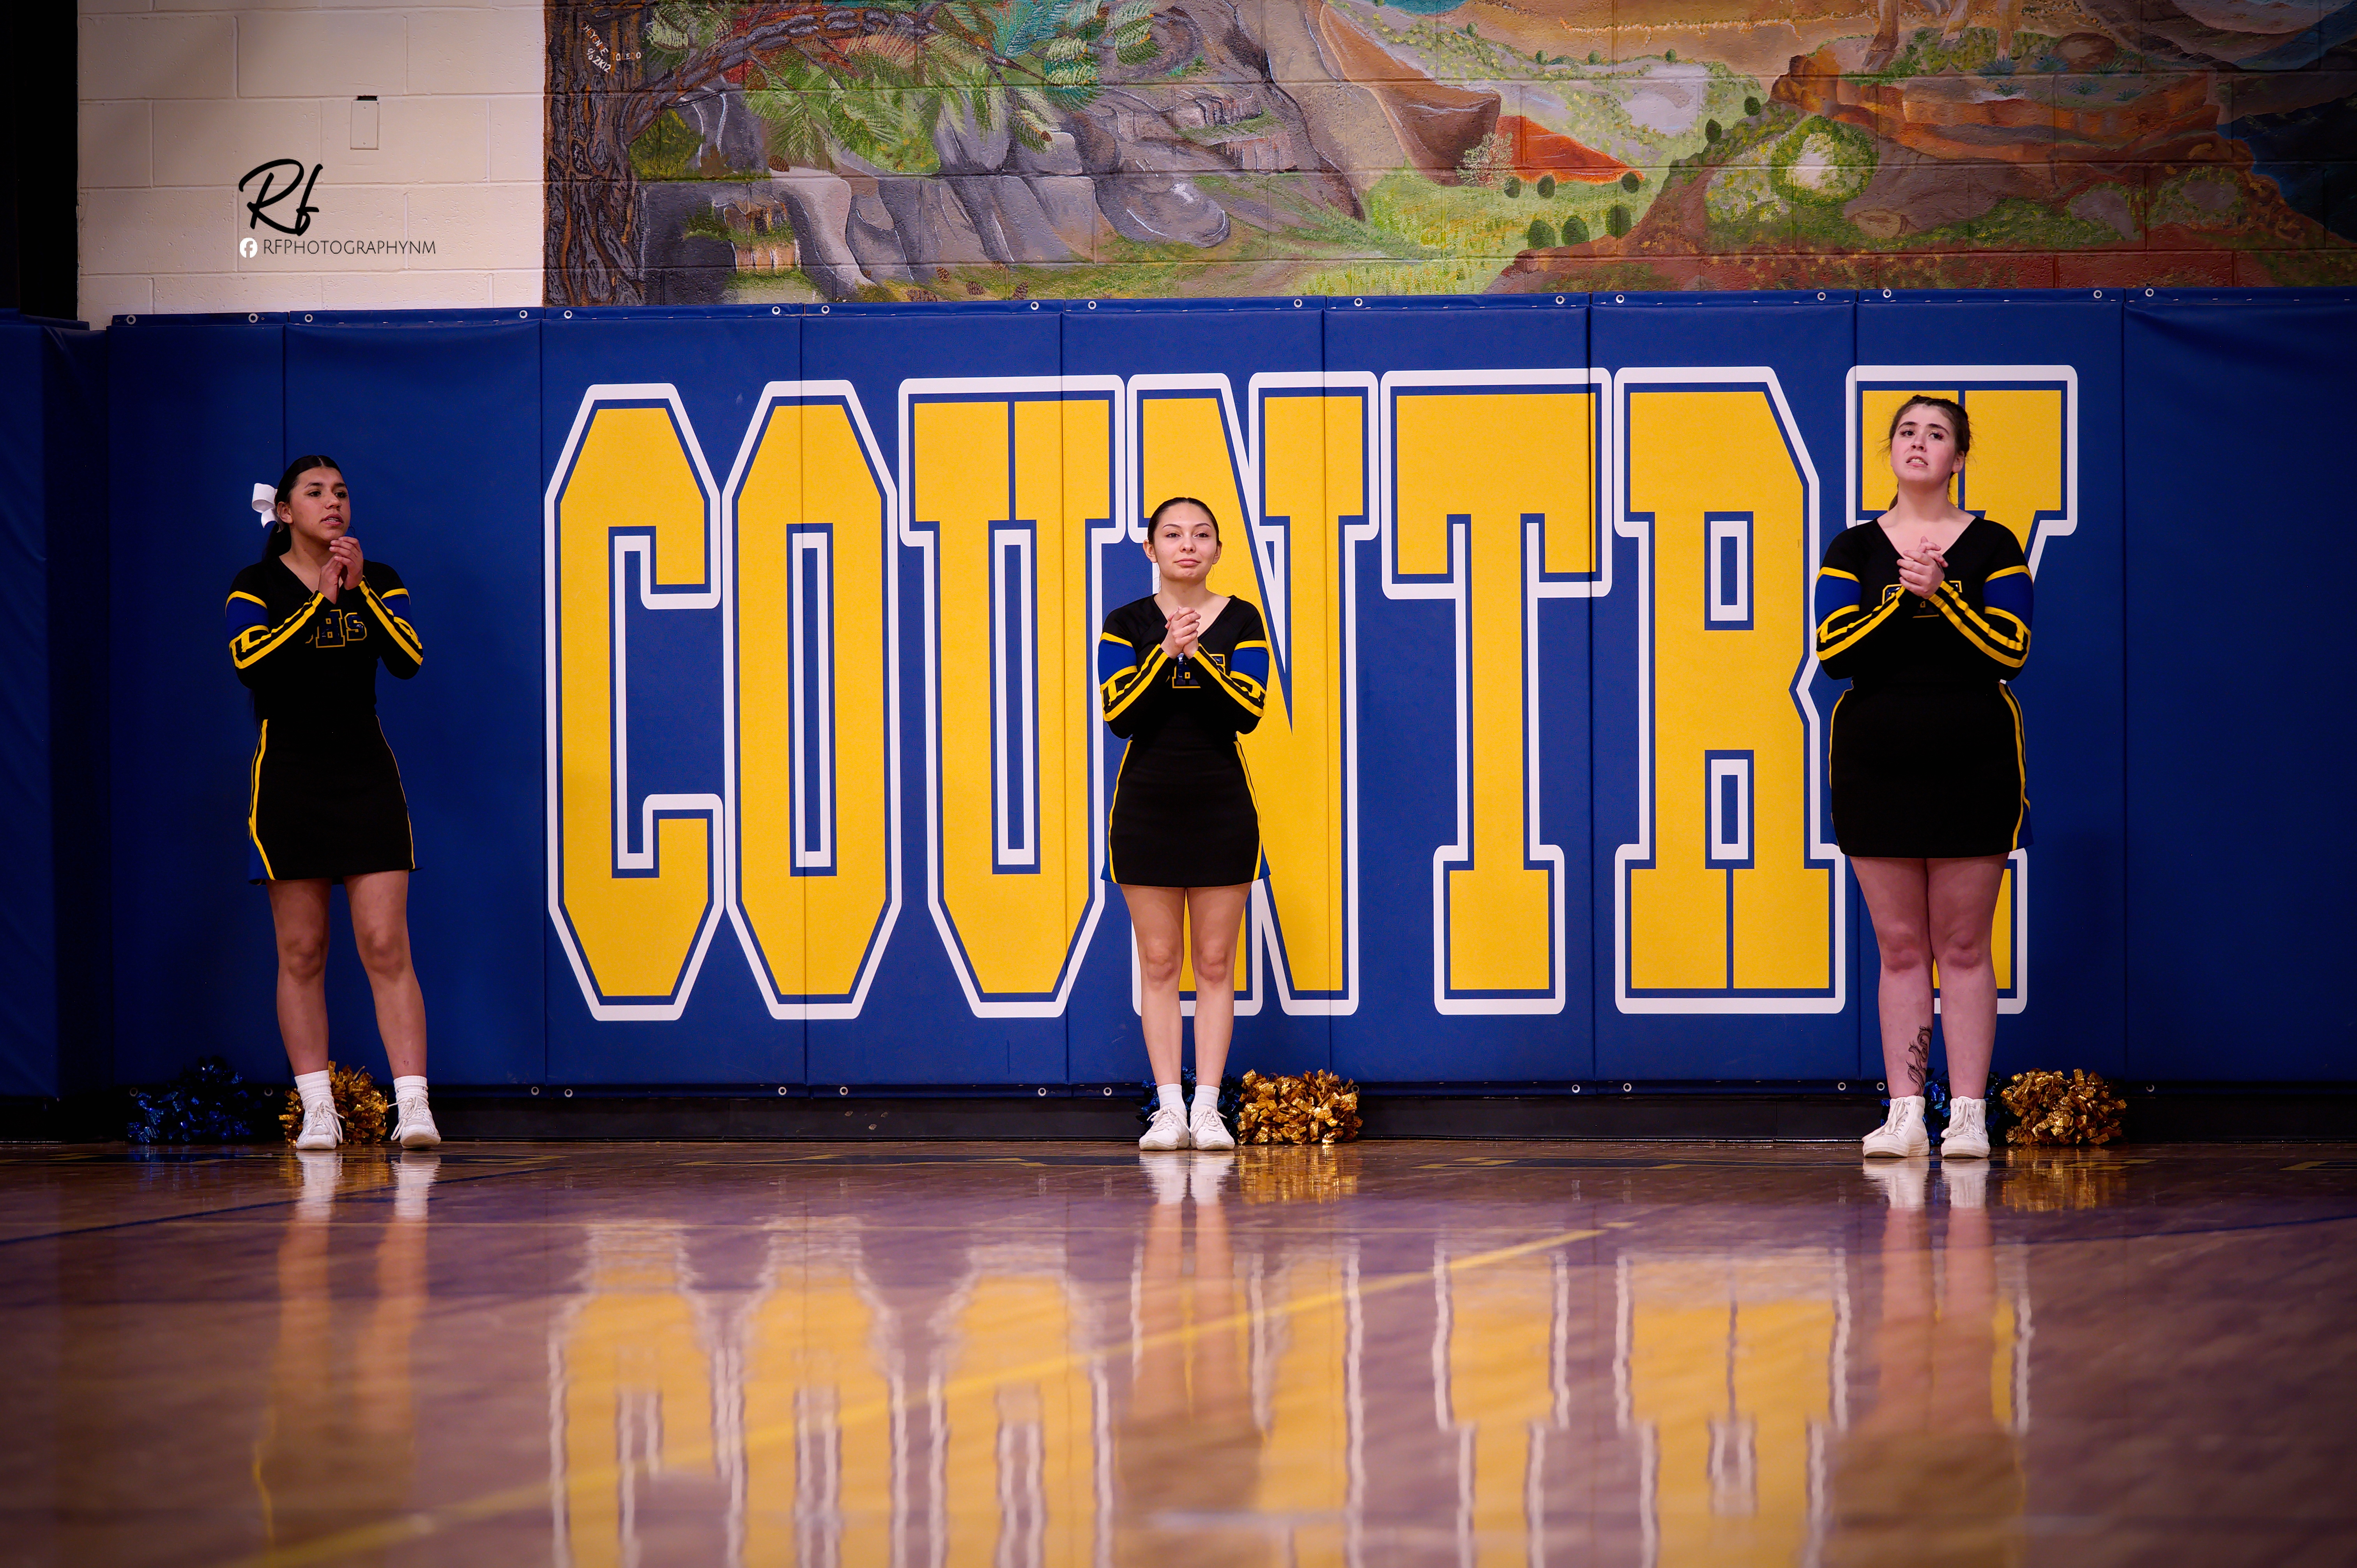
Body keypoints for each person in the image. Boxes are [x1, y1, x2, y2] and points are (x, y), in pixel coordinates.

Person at [1814, 398, 2033, 1161]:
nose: (1919, 443)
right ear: (1891, 449)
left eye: (1936, 433)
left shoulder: (1995, 543)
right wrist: (1902, 599)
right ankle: (1907, 1109)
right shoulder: (1853, 546)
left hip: (1973, 762)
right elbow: (1835, 650)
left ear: (1959, 457)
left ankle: (1968, 1112)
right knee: (1901, 946)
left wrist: (1943, 595)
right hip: (1877, 765)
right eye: (1908, 431)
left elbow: (2010, 650)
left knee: (1965, 943)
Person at [226, 456, 438, 1150]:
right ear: (284, 511)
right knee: (303, 949)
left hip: (365, 777)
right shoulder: (254, 585)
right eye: (315, 493)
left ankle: (415, 1107)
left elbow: (409, 659)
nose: (334, 503)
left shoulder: (382, 579)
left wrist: (356, 593)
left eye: (343, 492)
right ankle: (317, 1108)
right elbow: (252, 665)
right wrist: (318, 601)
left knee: (385, 944)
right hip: (288, 780)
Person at [1099, 497, 1271, 1153]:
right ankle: (1167, 1108)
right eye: (1172, 535)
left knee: (1217, 960)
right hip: (1146, 808)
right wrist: (1165, 652)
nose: (1187, 546)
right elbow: (1121, 713)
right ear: (1151, 550)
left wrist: (1196, 658)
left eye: (1202, 535)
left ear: (1219, 550)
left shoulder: (1244, 619)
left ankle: (1208, 1108)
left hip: (1221, 806)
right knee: (1162, 961)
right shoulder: (1127, 622)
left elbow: (1246, 711)